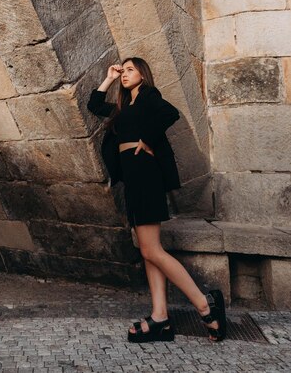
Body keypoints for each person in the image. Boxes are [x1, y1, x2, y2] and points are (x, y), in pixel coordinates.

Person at [87, 57, 227, 343]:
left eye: (129, 70)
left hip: (145, 174)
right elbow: (94, 104)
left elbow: (170, 114)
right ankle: (160, 317)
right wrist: (109, 78)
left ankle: (205, 306)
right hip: (133, 176)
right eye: (122, 70)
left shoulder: (150, 97)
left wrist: (147, 140)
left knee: (152, 251)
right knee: (149, 250)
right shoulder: (124, 108)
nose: (124, 75)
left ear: (142, 74)